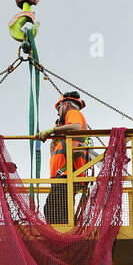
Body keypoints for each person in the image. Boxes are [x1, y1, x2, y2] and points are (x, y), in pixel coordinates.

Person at [40, 91, 91, 224]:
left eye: (59, 109)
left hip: (67, 174)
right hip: (64, 175)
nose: (58, 113)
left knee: (52, 210)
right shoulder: (65, 130)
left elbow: (77, 127)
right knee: (58, 209)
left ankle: (62, 236)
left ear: (66, 104)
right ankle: (63, 233)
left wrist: (53, 130)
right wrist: (54, 137)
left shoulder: (73, 112)